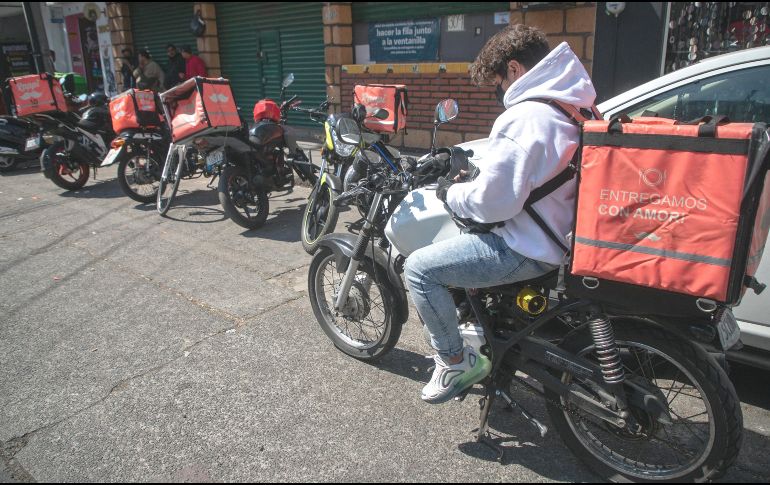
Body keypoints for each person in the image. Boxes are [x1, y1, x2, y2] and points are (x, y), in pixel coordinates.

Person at [404, 25, 597, 404]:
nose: (499, 93)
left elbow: (496, 204)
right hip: (564, 234)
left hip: (526, 248)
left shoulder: (525, 116)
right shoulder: (572, 104)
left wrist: (452, 193)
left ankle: (454, 360)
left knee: (420, 270)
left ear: (514, 69)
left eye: (497, 82)